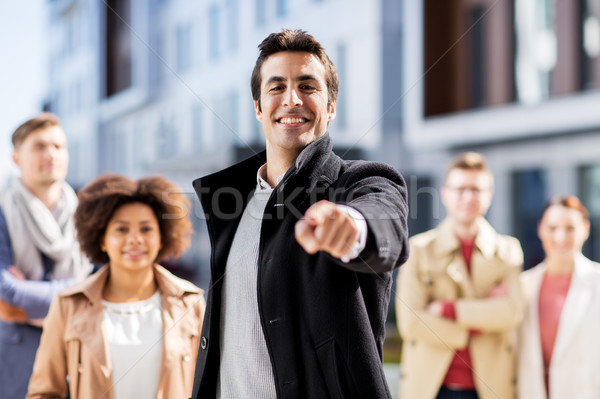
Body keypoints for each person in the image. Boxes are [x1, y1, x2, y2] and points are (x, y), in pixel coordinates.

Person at [190, 29, 409, 398]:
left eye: (308, 86)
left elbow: (384, 217)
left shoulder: (360, 181)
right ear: (259, 107)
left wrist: (353, 227)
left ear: (331, 105)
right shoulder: (231, 204)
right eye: (276, 88)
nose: (292, 100)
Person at [26, 174, 206, 399]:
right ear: (102, 239)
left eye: (146, 229)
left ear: (162, 237)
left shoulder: (191, 302)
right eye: (121, 229)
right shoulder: (68, 304)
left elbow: (211, 384)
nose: (135, 239)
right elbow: (44, 392)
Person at [396, 152, 524, 399]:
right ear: (444, 194)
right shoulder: (420, 250)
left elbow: (512, 312)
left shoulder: (508, 250)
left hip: (489, 387)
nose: (468, 197)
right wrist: (480, 322)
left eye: (476, 190)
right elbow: (410, 323)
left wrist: (448, 310)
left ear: (489, 195)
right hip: (431, 388)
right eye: (460, 189)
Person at [0, 112, 92, 399]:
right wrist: (77, 296)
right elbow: (5, 293)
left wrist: (27, 302)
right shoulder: (3, 211)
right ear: (16, 158)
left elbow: (106, 284)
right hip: (17, 360)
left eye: (58, 146)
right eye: (39, 146)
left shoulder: (88, 214)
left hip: (80, 354)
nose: (51, 154)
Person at [518, 196, 600, 399]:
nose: (561, 237)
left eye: (570, 228)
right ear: (540, 229)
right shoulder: (522, 285)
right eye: (552, 228)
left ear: (585, 228)